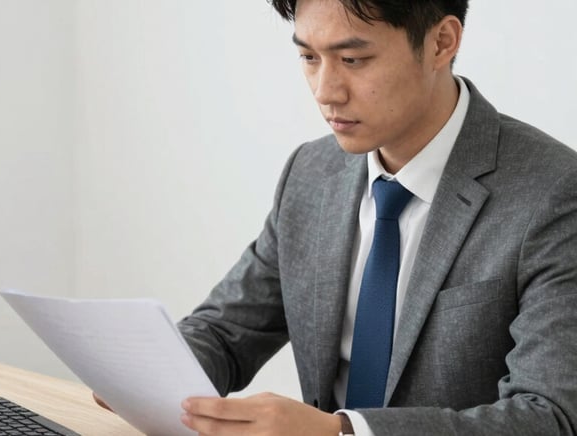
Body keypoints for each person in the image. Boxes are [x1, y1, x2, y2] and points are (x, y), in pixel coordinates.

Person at [172, 0, 577, 435]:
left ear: (442, 42)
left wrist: (341, 433)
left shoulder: (553, 193)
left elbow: (549, 415)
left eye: (353, 60)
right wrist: (144, 367)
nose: (326, 91)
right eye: (309, 57)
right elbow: (227, 331)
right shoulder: (310, 173)